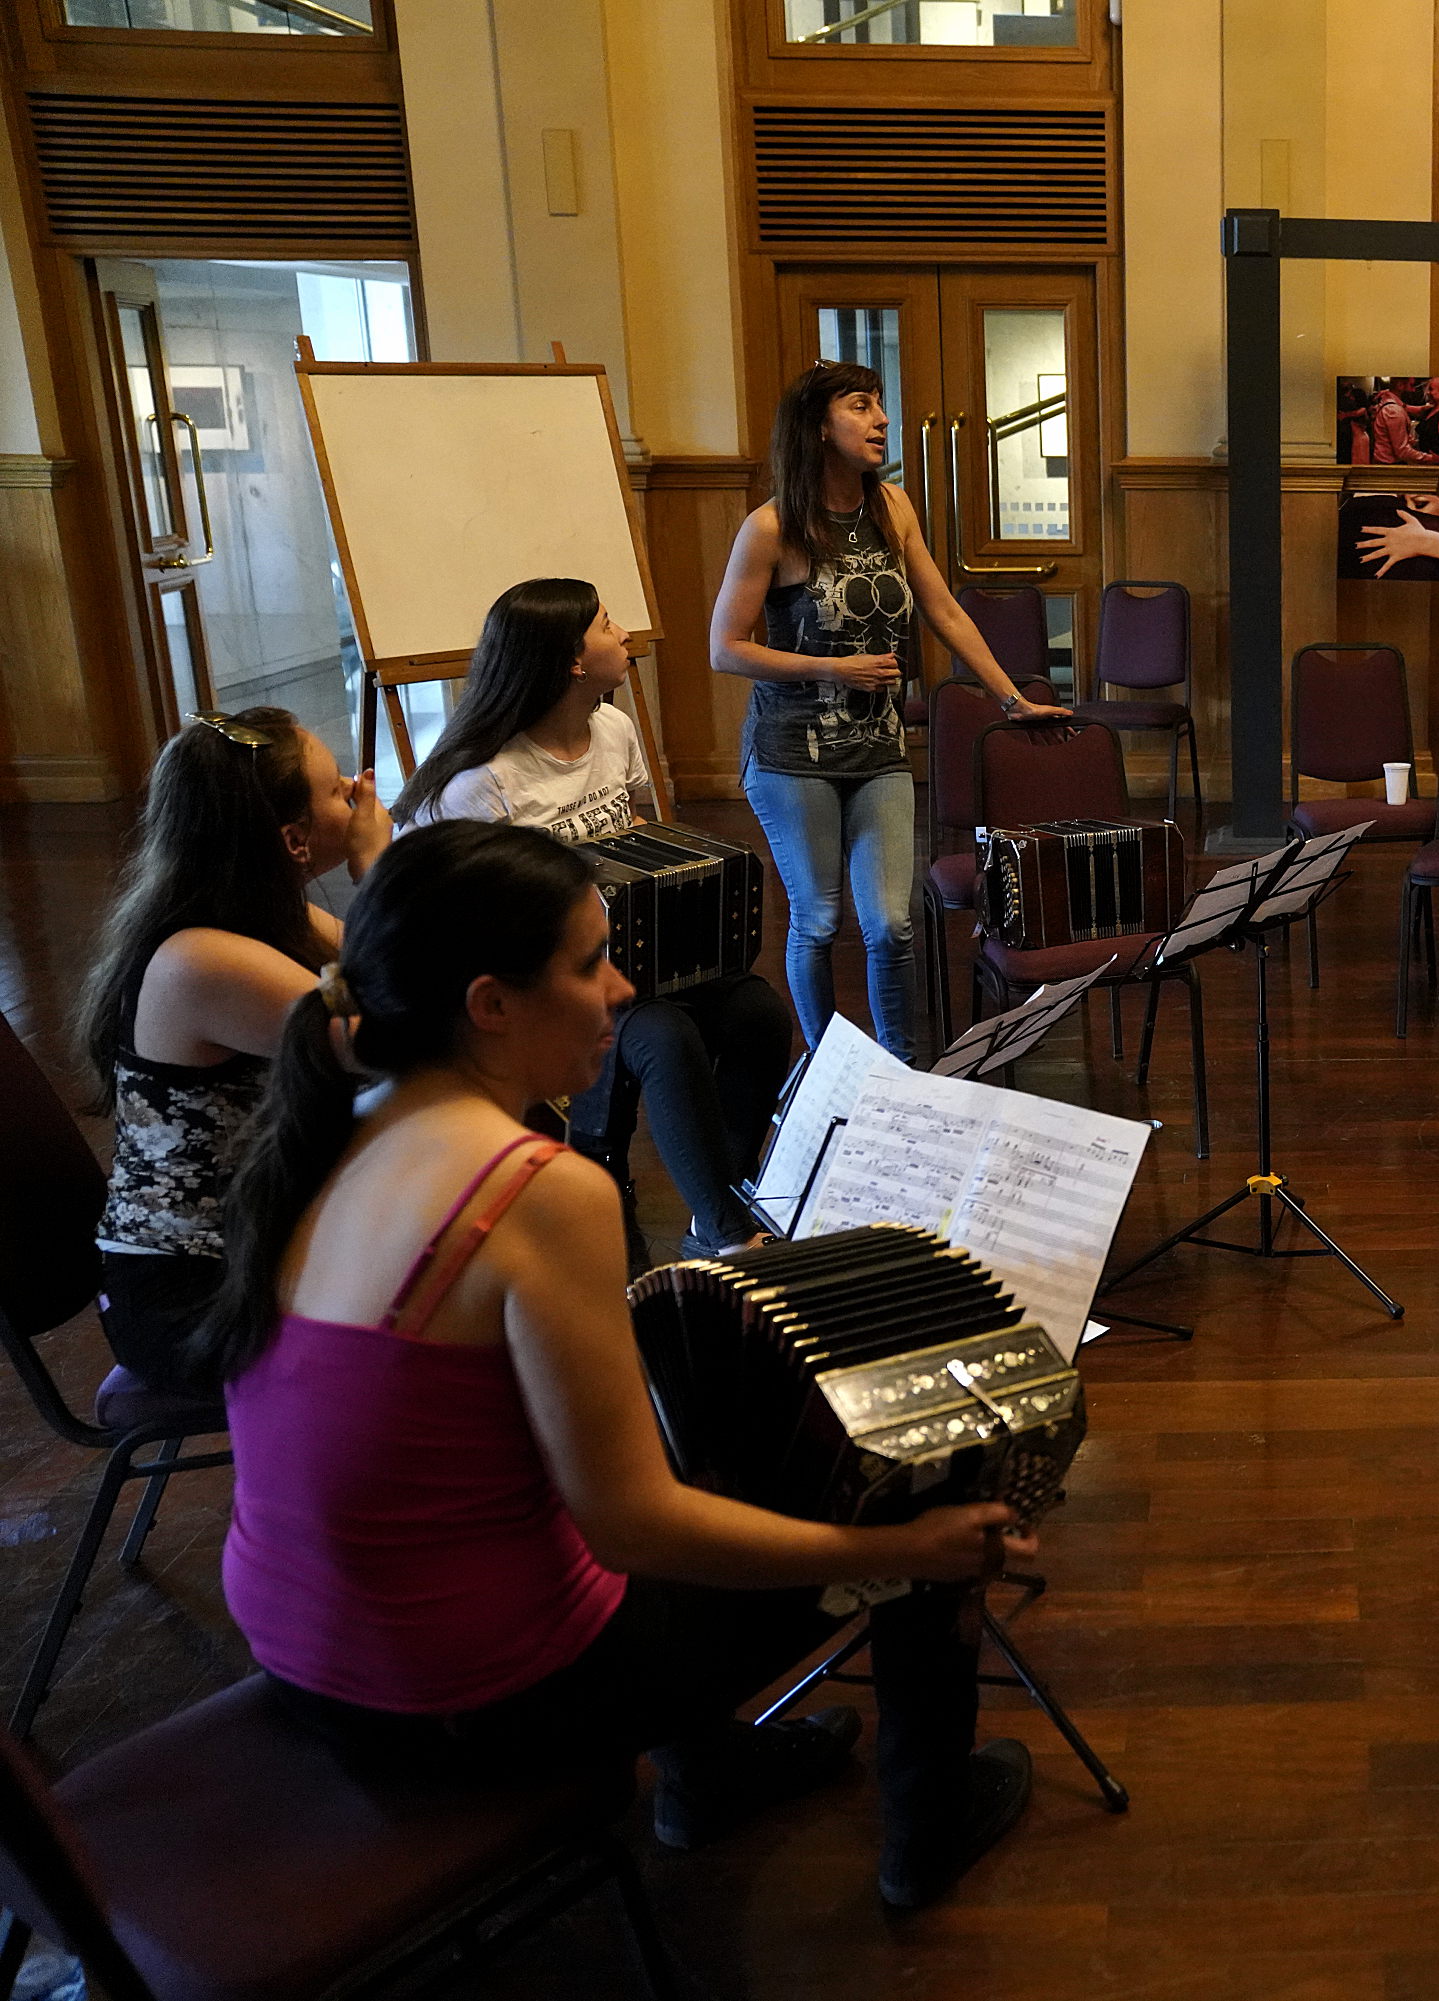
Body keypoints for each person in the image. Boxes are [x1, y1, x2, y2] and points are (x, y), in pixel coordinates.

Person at [191, 820, 1037, 1910]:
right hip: (466, 1696)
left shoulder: (329, 1129)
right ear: (490, 1003)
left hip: (307, 1656)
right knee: (931, 1476)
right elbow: (631, 1526)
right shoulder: (539, 1191)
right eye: (592, 962)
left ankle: (713, 1773)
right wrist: (906, 1546)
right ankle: (929, 1830)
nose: (625, 988)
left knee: (698, 1421)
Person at [401, 578, 797, 1259]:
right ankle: (728, 1233)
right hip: (543, 979)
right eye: (608, 625)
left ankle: (720, 1199)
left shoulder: (612, 728)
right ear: (573, 661)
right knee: (665, 1035)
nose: (626, 637)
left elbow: (638, 823)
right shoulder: (483, 781)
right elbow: (468, 912)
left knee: (758, 1011)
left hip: (637, 958)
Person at [710, 361, 1068, 1063]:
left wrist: (1011, 696)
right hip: (791, 756)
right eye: (861, 406)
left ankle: (901, 1070)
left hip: (879, 752)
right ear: (819, 426)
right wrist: (831, 667)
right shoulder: (772, 525)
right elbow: (725, 648)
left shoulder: (892, 507)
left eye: (880, 406)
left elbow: (943, 611)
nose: (881, 419)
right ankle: (827, 1066)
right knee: (816, 920)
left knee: (892, 925)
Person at [76, 708, 389, 1396]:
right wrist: (382, 873)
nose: (358, 789)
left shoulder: (268, 916)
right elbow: (395, 1041)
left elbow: (403, 977)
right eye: (338, 788)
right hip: (189, 1293)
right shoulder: (203, 960)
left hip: (247, 1251)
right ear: (293, 838)